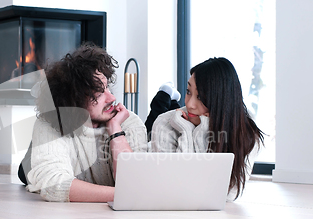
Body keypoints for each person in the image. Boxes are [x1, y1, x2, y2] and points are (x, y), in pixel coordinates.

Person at [19, 43, 148, 202]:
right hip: (57, 138)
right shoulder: (49, 122)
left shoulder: (128, 121)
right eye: (99, 94)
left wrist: (116, 131)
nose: (112, 98)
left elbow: (136, 184)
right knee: (27, 173)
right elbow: (53, 186)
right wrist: (121, 195)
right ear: (75, 98)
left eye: (108, 88)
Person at [150, 57, 265, 199]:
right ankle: (166, 94)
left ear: (222, 101)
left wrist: (201, 129)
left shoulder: (246, 133)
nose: (190, 103)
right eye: (188, 91)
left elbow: (229, 195)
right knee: (156, 112)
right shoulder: (164, 124)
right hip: (149, 151)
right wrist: (185, 130)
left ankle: (171, 99)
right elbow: (174, 188)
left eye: (201, 97)